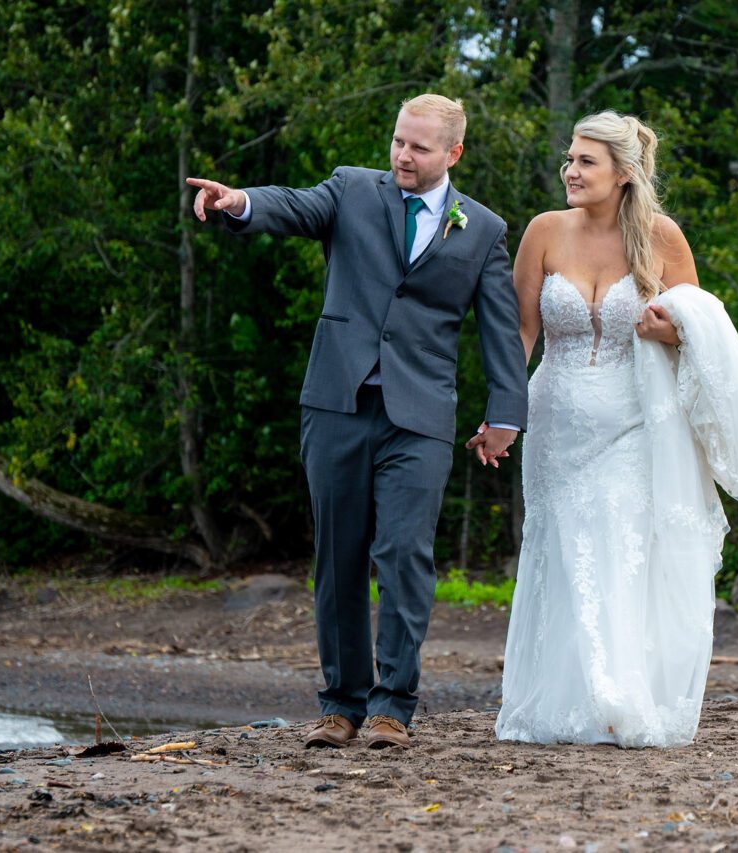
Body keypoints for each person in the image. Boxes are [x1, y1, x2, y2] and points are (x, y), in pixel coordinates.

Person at [189, 94, 528, 749]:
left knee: (404, 556)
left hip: (421, 415)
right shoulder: (350, 189)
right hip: (336, 403)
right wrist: (241, 202)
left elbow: (500, 332)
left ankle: (392, 708)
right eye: (399, 142)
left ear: (452, 153)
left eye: (420, 147)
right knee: (338, 557)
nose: (403, 155)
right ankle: (340, 703)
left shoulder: (481, 229)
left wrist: (506, 414)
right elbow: (293, 204)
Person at [492, 111, 738, 748]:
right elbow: (521, 333)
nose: (571, 171)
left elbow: (700, 327)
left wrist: (666, 330)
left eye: (586, 162)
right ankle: (559, 701)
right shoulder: (543, 232)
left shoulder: (661, 237)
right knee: (562, 550)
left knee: (616, 542)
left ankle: (616, 696)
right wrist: (502, 413)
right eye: (569, 159)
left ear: (623, 174)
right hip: (555, 421)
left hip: (632, 421)